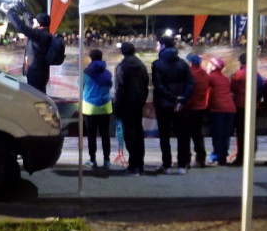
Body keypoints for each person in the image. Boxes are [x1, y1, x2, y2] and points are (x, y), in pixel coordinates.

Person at [151, 36, 194, 175]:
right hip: (180, 106)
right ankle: (182, 165)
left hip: (163, 104)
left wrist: (173, 98)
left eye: (158, 44)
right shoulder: (183, 64)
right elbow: (190, 84)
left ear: (163, 45)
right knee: (182, 136)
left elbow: (158, 86)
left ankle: (167, 165)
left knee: (164, 136)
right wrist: (181, 100)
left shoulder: (157, 64)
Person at [113, 42, 150, 175]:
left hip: (126, 104)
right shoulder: (141, 66)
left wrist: (117, 106)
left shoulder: (122, 67)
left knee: (129, 134)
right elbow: (146, 84)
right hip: (138, 103)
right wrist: (142, 99)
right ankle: (139, 164)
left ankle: (133, 165)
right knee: (138, 133)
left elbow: (120, 88)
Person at [1, 4, 52, 94]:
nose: (33, 22)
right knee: (39, 94)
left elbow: (22, 27)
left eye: (35, 21)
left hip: (36, 73)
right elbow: (29, 24)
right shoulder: (43, 33)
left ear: (39, 24)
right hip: (40, 72)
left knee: (35, 97)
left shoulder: (39, 35)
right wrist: (24, 10)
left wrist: (9, 12)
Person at [229, 51, 264, 166]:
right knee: (251, 131)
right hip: (254, 106)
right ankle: (251, 156)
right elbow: (261, 88)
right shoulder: (256, 74)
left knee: (241, 132)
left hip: (241, 105)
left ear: (241, 61)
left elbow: (232, 88)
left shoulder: (238, 74)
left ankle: (241, 157)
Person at [82, 48, 113, 169]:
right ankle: (106, 160)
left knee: (91, 134)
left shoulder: (86, 72)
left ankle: (92, 159)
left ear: (91, 58)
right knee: (105, 134)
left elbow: (80, 86)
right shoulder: (107, 72)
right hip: (105, 107)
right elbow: (110, 86)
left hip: (90, 108)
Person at [206, 57, 236, 166]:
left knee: (217, 134)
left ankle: (217, 156)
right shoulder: (225, 78)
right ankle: (223, 156)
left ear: (213, 66)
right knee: (225, 134)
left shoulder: (211, 78)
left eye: (209, 64)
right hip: (230, 109)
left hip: (218, 109)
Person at [184, 53, 209, 167]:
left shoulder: (189, 73)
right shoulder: (204, 73)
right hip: (201, 107)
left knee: (186, 134)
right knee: (197, 133)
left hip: (189, 107)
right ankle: (201, 158)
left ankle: (186, 159)